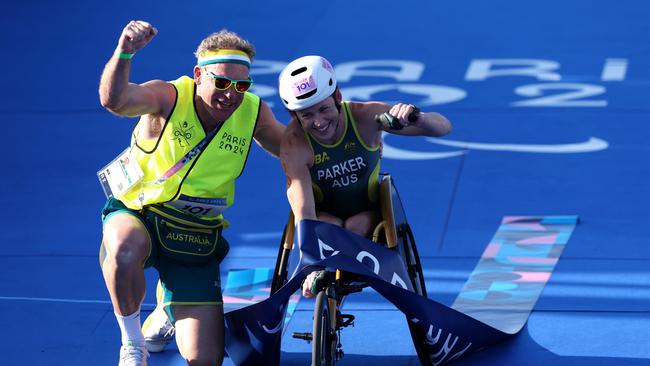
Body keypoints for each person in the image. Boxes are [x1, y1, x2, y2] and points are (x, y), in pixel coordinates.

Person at [98, 20, 284, 366]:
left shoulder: (252, 111)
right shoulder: (169, 96)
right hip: (139, 212)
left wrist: (346, 123)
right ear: (199, 74)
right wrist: (124, 53)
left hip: (194, 235)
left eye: (241, 85)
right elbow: (115, 101)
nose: (231, 93)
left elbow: (290, 147)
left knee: (205, 360)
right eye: (223, 82)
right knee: (124, 250)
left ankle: (167, 309)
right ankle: (132, 343)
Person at [277, 55, 452, 298]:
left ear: (338, 97)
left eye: (324, 109)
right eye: (306, 115)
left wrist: (416, 117)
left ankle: (337, 266)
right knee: (332, 226)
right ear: (293, 114)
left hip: (368, 217)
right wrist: (310, 265)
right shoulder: (293, 144)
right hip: (324, 221)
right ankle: (325, 272)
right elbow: (305, 213)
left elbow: (444, 127)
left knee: (355, 225)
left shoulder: (366, 118)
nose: (318, 122)